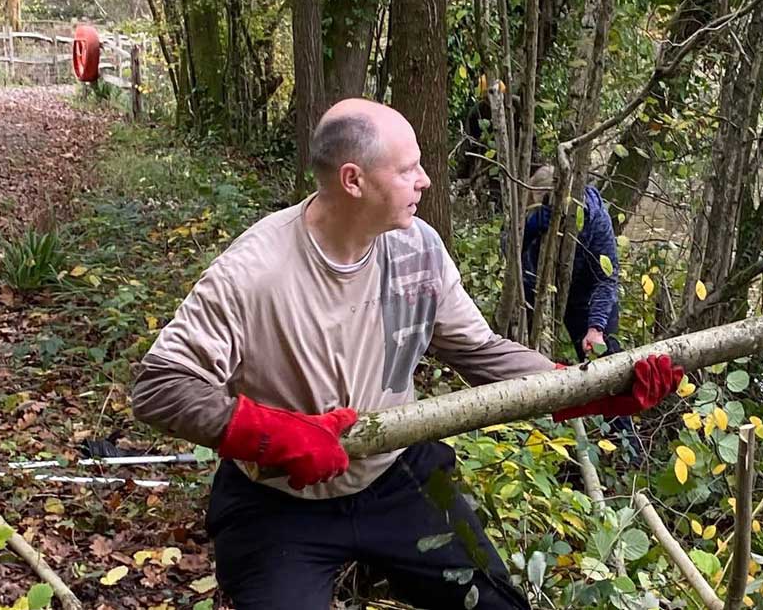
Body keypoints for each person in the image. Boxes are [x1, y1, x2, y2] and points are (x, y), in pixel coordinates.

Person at [130, 99, 682, 610]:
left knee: (494, 604)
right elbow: (160, 386)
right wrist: (279, 436)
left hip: (398, 474)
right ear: (354, 180)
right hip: (277, 501)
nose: (425, 180)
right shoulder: (254, 271)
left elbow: (481, 352)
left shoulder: (418, 247)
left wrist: (596, 390)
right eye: (407, 169)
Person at [520, 165, 643, 457]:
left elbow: (606, 277)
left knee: (606, 370)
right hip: (537, 293)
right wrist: (530, 229)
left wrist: (595, 327)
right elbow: (509, 250)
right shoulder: (530, 214)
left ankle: (626, 450)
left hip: (587, 297)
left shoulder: (594, 217)